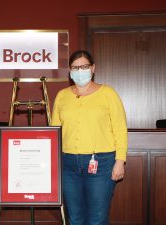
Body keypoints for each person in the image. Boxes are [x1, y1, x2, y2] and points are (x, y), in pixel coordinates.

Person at [51, 50, 128, 225]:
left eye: (84, 66)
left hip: (101, 162)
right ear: (69, 71)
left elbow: (120, 129)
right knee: (76, 218)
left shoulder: (108, 93)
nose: (79, 71)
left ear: (93, 68)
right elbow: (54, 132)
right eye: (75, 67)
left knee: (97, 219)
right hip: (68, 163)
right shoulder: (62, 96)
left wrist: (120, 161)